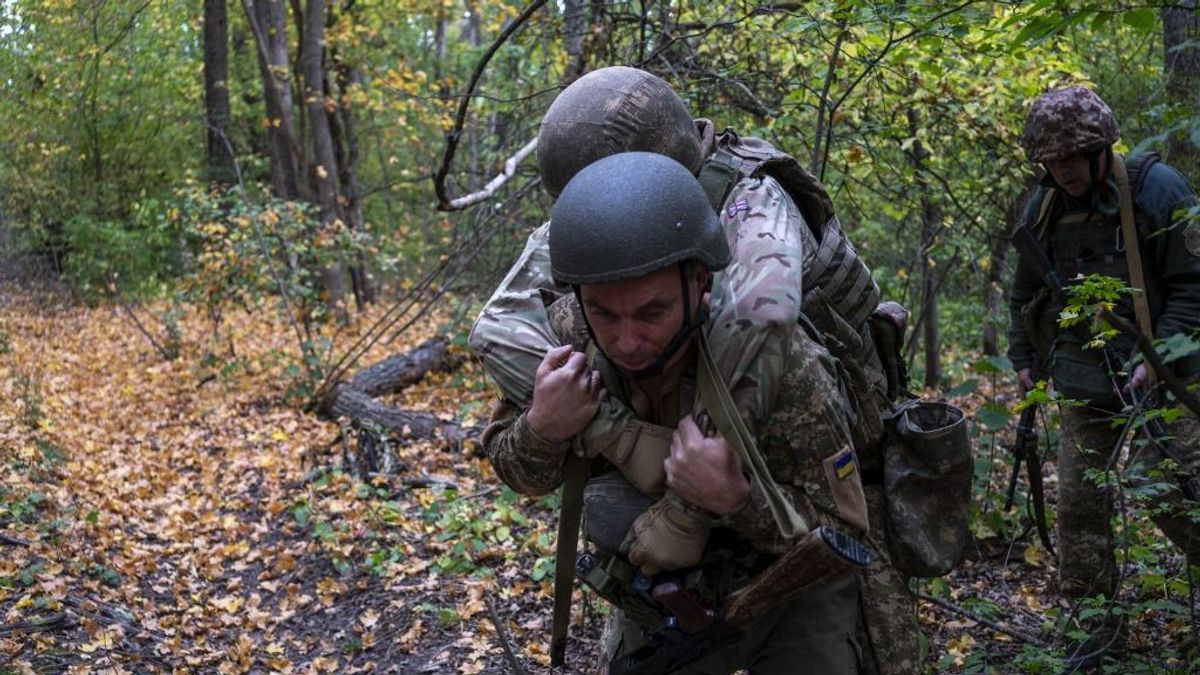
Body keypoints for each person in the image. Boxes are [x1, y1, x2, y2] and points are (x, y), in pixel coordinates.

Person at [469, 66, 919, 674]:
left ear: (699, 281)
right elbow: (516, 460)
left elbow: (838, 532)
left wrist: (726, 499)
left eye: (650, 310)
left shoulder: (778, 337)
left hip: (792, 571)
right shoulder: (575, 325)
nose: (626, 338)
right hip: (661, 586)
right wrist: (549, 428)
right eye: (606, 310)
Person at [1007, 84, 1200, 668]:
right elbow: (1024, 293)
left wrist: (1155, 354)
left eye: (1072, 157)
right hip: (1084, 376)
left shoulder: (1157, 189)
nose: (1062, 170)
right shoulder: (1042, 207)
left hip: (1168, 375)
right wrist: (1023, 357)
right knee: (1079, 508)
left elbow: (1195, 287)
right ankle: (1096, 635)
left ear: (1100, 150)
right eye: (1051, 160)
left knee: (1172, 493)